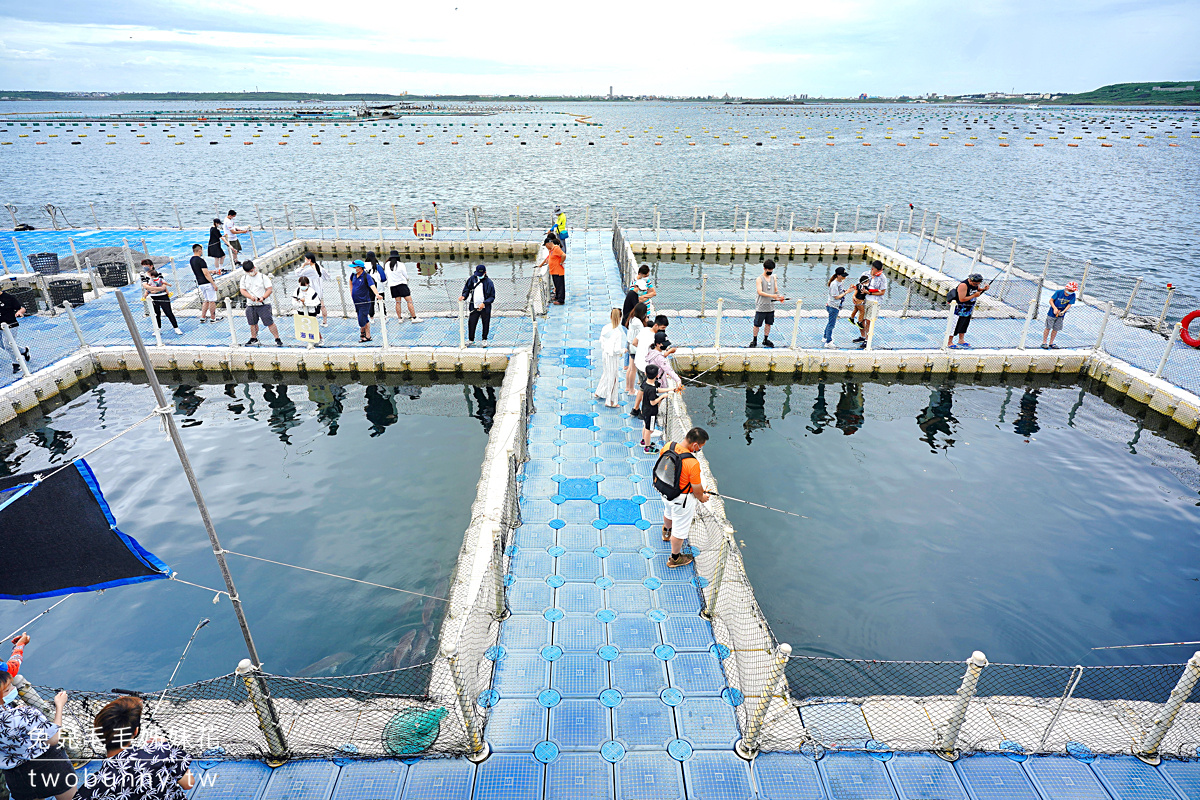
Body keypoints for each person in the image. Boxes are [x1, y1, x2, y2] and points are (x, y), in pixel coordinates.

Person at [1, 635, 77, 800]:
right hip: (49, 766)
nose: (13, 686)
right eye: (8, 687)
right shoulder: (25, 713)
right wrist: (59, 706)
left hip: (17, 778)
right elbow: (53, 739)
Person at [76, 696, 193, 800]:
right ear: (136, 731)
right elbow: (189, 784)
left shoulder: (92, 787)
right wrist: (167, 747)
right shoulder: (160, 752)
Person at [658, 427, 710, 569]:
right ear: (695, 445)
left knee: (668, 512)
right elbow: (697, 489)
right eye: (700, 447)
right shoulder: (692, 463)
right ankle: (675, 558)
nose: (699, 449)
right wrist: (702, 497)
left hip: (665, 491)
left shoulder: (669, 445)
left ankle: (666, 532)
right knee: (680, 530)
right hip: (681, 500)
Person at [238, 261, 283, 347]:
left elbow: (269, 289)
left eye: (251, 271)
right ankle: (253, 338)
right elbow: (242, 290)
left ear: (254, 268)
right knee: (252, 323)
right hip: (251, 305)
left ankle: (277, 338)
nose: (250, 273)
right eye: (248, 272)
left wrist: (263, 297)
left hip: (264, 305)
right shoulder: (244, 278)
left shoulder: (263, 277)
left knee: (269, 322)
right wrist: (250, 297)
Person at [633, 315, 671, 416]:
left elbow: (634, 342)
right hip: (647, 368)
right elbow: (659, 357)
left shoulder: (644, 330)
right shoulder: (654, 340)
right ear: (656, 325)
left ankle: (635, 409)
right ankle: (643, 413)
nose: (663, 331)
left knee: (642, 388)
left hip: (638, 363)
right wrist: (670, 351)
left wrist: (642, 349)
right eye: (662, 328)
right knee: (650, 392)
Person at [947, 272, 989, 349]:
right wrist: (974, 295)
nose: (977, 285)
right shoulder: (963, 285)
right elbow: (962, 299)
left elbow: (977, 289)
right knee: (954, 326)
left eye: (978, 284)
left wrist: (983, 289)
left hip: (968, 308)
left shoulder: (976, 284)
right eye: (975, 284)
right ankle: (949, 342)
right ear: (970, 280)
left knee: (964, 324)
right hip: (959, 309)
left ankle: (961, 340)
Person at [750, 260, 785, 348]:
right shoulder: (759, 279)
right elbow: (760, 292)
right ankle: (754, 340)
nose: (770, 271)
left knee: (768, 324)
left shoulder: (773, 278)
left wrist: (779, 296)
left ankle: (765, 339)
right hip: (761, 306)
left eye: (772, 270)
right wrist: (772, 295)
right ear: (764, 268)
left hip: (770, 307)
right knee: (757, 324)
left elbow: (776, 289)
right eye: (769, 269)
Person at [595, 308, 626, 408]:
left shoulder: (605, 328)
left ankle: (599, 392)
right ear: (620, 318)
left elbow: (601, 341)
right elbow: (616, 349)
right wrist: (623, 350)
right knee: (613, 377)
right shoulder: (617, 333)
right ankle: (610, 401)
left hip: (605, 354)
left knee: (606, 373)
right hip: (613, 356)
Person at [141, 262, 182, 336]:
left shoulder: (158, 273)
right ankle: (158, 329)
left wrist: (153, 290)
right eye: (143, 266)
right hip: (153, 298)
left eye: (146, 265)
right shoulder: (143, 275)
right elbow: (145, 286)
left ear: (151, 266)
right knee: (156, 314)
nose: (145, 267)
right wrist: (156, 289)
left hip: (163, 296)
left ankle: (176, 327)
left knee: (168, 312)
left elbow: (163, 287)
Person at [459, 264, 495, 344]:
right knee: (471, 323)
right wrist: (464, 296)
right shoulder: (472, 279)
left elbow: (492, 297)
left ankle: (484, 339)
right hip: (474, 306)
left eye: (481, 274)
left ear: (485, 273)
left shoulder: (489, 283)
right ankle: (471, 339)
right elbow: (467, 289)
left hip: (485, 308)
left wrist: (484, 303)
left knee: (485, 323)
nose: (479, 276)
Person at [349, 259, 383, 342]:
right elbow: (350, 282)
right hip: (356, 301)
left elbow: (372, 285)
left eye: (355, 267)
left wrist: (377, 294)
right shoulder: (353, 275)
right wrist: (351, 291)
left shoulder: (366, 276)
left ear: (360, 268)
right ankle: (368, 336)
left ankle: (362, 333)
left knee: (361, 319)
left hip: (364, 301)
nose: (353, 269)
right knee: (364, 318)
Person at [1, 285, 31, 374]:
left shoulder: (8, 298)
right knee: (3, 346)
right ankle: (24, 351)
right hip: (0, 327)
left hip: (10, 325)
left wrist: (19, 312)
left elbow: (22, 308)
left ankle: (16, 364)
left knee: (8, 345)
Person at [858, 260, 888, 348]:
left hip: (874, 302)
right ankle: (862, 336)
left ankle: (867, 339)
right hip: (864, 301)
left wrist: (870, 293)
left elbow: (882, 292)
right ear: (873, 269)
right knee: (861, 319)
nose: (880, 272)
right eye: (878, 270)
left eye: (881, 270)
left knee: (869, 320)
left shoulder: (883, 278)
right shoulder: (865, 274)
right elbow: (859, 286)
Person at [385, 250, 420, 322]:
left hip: (392, 286)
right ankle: (414, 317)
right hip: (402, 285)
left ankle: (399, 318)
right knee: (409, 301)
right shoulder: (401, 264)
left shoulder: (387, 264)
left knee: (398, 302)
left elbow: (386, 274)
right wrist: (407, 279)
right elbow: (405, 275)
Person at [189, 243, 221, 323]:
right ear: (200, 251)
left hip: (200, 283)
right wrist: (213, 284)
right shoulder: (201, 260)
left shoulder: (192, 260)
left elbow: (201, 271)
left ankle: (203, 317)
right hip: (207, 283)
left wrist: (212, 271)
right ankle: (213, 318)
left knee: (206, 300)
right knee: (212, 301)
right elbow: (206, 274)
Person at [1042, 281, 1078, 349]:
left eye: (1072, 290)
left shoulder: (1073, 295)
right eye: (1070, 290)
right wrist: (1055, 308)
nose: (1071, 291)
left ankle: (1051, 343)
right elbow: (1051, 300)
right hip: (1052, 312)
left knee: (1056, 329)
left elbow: (1069, 304)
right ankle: (1044, 342)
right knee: (1048, 327)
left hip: (1061, 313)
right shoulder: (1058, 292)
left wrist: (1064, 311)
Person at [296, 252, 328, 327]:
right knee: (322, 305)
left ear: (309, 260)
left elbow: (298, 273)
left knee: (311, 306)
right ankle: (325, 321)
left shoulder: (310, 269)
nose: (304, 261)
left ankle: (312, 321)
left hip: (312, 291)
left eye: (305, 259)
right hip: (320, 290)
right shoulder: (319, 266)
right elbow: (326, 276)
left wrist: (303, 265)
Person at [624, 302, 648, 397]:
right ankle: (631, 390)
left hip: (630, 345)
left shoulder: (632, 319)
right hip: (635, 347)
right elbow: (644, 332)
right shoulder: (638, 322)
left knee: (630, 368)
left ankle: (627, 387)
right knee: (633, 369)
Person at [640, 364, 666, 453]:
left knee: (646, 426)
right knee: (649, 430)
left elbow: (656, 390)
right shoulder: (651, 389)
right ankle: (647, 447)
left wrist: (670, 389)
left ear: (645, 373)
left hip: (645, 409)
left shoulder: (645, 383)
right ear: (657, 375)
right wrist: (662, 397)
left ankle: (644, 440)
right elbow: (653, 402)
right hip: (651, 412)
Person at [824, 267, 851, 348]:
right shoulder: (834, 284)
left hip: (837, 306)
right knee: (831, 324)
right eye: (843, 275)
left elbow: (840, 291)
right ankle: (828, 341)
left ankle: (825, 337)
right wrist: (847, 292)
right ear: (838, 275)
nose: (844, 277)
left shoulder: (840, 282)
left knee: (830, 322)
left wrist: (847, 290)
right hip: (833, 306)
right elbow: (836, 297)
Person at [542, 235, 566, 304]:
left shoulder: (556, 248)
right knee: (556, 284)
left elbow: (563, 255)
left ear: (548, 244)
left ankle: (561, 300)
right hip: (553, 270)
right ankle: (557, 297)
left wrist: (561, 262)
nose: (546, 247)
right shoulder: (551, 250)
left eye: (546, 245)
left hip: (558, 270)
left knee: (560, 285)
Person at [849, 273, 870, 341]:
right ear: (864, 282)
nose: (868, 283)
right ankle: (859, 322)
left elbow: (855, 288)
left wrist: (853, 293)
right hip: (860, 300)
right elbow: (868, 291)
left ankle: (851, 318)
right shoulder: (864, 287)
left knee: (855, 309)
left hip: (857, 299)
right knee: (862, 311)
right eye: (867, 282)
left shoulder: (858, 285)